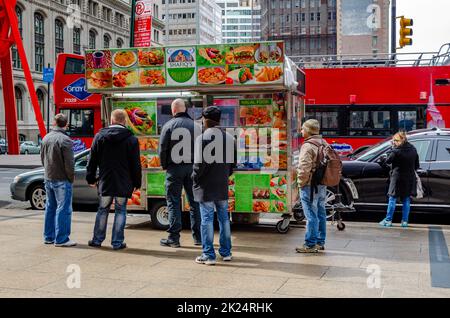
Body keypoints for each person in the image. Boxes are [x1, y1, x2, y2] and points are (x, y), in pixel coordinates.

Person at [86, 109, 141, 250]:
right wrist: (137, 182)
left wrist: (91, 178)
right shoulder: (131, 139)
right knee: (121, 210)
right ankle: (117, 242)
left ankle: (97, 240)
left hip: (106, 181)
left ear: (111, 120)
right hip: (124, 182)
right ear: (124, 121)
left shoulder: (100, 137)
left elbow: (92, 160)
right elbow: (136, 164)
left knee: (103, 209)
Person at [192, 106, 236, 265]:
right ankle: (226, 252)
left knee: (207, 220)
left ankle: (208, 255)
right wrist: (224, 175)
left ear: (205, 119)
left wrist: (194, 178)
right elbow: (233, 164)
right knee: (224, 219)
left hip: (205, 186)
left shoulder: (201, 139)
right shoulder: (230, 138)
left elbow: (198, 165)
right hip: (222, 185)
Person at [159, 99, 201, 248]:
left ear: (173, 110)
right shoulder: (197, 126)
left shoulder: (168, 126)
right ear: (185, 109)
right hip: (193, 168)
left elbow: (163, 148)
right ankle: (198, 237)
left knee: (173, 201)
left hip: (174, 168)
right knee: (195, 202)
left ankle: (174, 238)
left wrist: (165, 165)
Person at [40, 113, 76, 247]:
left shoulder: (46, 138)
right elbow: (69, 164)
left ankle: (49, 236)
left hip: (48, 177)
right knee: (64, 208)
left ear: (54, 123)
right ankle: (62, 239)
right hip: (62, 178)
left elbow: (42, 158)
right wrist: (70, 178)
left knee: (50, 207)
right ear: (66, 124)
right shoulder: (65, 140)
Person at [296, 119, 328, 253]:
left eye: (302, 129)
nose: (301, 131)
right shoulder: (323, 142)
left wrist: (300, 183)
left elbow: (304, 168)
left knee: (311, 215)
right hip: (322, 184)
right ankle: (320, 241)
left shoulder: (307, 146)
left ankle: (310, 244)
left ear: (308, 130)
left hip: (309, 185)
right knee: (321, 212)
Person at [379, 131, 419, 228]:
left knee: (392, 198)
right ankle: (404, 222)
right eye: (393, 141)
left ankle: (388, 220)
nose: (394, 142)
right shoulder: (413, 149)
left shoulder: (396, 151)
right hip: (409, 178)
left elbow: (387, 161)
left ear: (402, 140)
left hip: (397, 178)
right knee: (406, 199)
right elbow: (417, 165)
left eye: (396, 140)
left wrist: (383, 158)